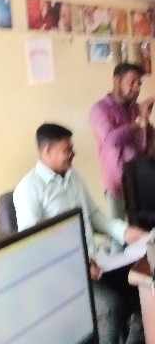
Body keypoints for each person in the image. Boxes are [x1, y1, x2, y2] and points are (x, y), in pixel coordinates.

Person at [13, 123, 147, 344]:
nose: (73, 154)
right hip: (63, 271)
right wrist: (80, 263)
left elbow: (94, 215)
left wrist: (124, 232)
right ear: (47, 151)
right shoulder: (29, 189)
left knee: (140, 287)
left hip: (97, 262)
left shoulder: (73, 177)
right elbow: (34, 245)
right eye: (67, 150)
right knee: (110, 306)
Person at [90, 63, 155, 228]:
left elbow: (144, 146)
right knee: (119, 233)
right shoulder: (100, 109)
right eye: (132, 82)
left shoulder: (136, 109)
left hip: (139, 182)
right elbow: (111, 141)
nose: (137, 88)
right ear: (117, 81)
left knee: (141, 230)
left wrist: (147, 124)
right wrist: (139, 122)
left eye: (139, 83)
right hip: (116, 186)